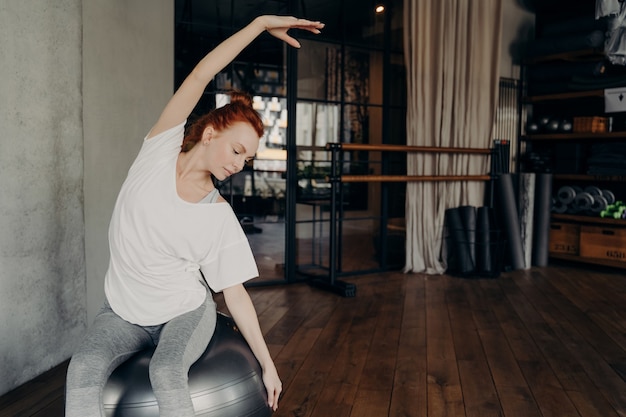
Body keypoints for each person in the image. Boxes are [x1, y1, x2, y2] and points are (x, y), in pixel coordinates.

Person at [65, 15, 324, 417]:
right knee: (81, 369)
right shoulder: (158, 150)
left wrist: (269, 364)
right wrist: (257, 26)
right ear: (209, 134)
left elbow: (234, 294)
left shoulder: (218, 214)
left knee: (166, 371)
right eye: (237, 150)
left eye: (249, 159)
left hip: (184, 312)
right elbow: (203, 73)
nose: (241, 164)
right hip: (121, 312)